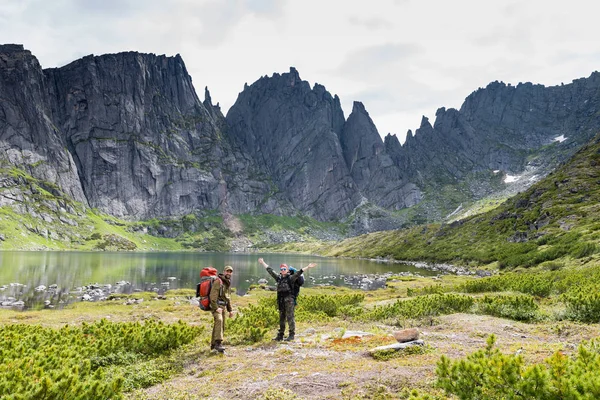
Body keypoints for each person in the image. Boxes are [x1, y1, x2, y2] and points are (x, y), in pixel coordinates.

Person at [258, 258, 317, 341]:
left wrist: (308, 267)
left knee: (290, 317)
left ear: (287, 270)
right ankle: (280, 335)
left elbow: (298, 273)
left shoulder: (291, 278)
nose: (283, 270)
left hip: (289, 301)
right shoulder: (278, 278)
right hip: (281, 301)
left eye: (284, 269)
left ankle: (291, 335)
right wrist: (263, 262)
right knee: (281, 318)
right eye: (281, 269)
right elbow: (270, 271)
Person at [210, 265, 234, 352]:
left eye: (230, 272)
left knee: (220, 325)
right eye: (227, 271)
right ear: (224, 272)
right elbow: (212, 296)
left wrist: (230, 310)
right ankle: (218, 343)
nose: (229, 273)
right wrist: (216, 308)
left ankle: (213, 345)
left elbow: (227, 298)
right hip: (216, 306)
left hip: (223, 307)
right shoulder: (218, 282)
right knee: (219, 320)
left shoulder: (227, 283)